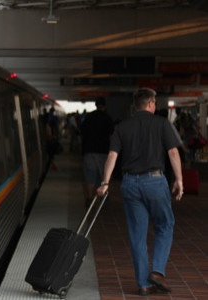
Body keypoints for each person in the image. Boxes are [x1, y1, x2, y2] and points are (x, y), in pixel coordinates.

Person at [96, 87, 183, 296]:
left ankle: (143, 284)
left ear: (135, 106)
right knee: (165, 225)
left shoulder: (122, 126)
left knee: (137, 235)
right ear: (152, 103)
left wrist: (105, 183)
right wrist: (179, 179)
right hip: (154, 181)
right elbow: (173, 152)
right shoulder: (162, 123)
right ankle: (157, 271)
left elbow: (112, 156)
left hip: (130, 184)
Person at [80, 97, 114, 208]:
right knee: (103, 176)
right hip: (103, 152)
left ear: (96, 105)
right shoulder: (108, 118)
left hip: (89, 151)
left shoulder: (88, 117)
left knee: (90, 176)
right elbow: (112, 135)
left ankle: (89, 199)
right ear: (104, 106)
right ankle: (102, 199)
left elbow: (82, 133)